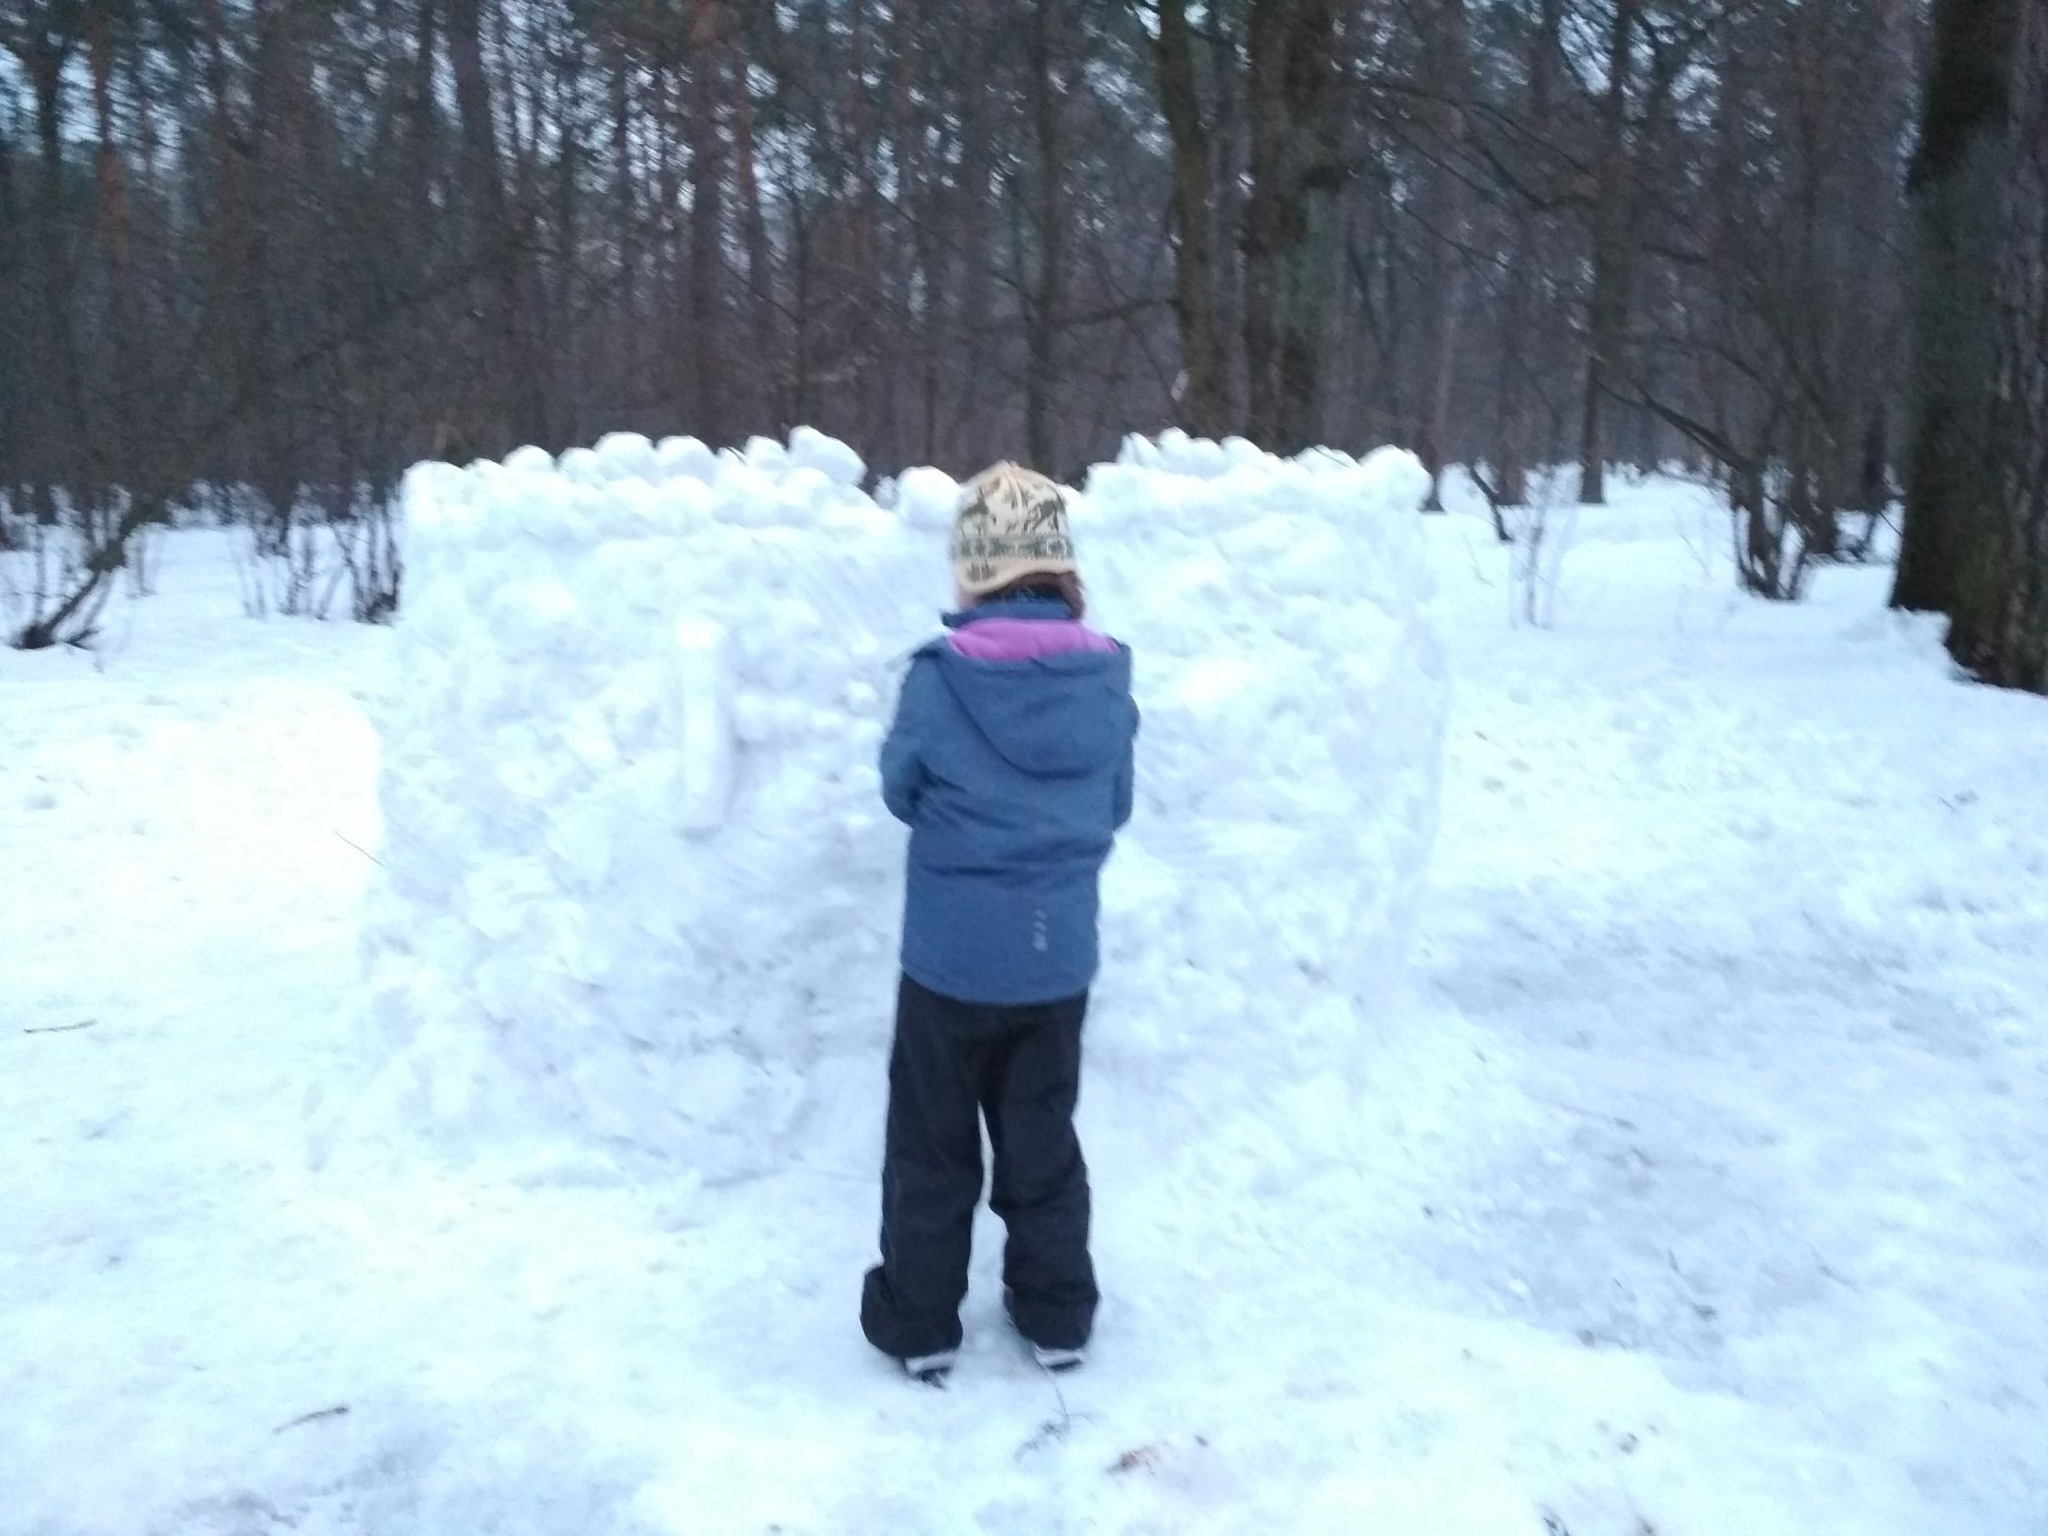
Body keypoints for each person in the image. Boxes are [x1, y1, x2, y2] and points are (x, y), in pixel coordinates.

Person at [859, 462, 1140, 1387]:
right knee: (1043, 1137)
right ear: (1060, 568)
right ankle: (1057, 1315)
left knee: (932, 1146)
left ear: (973, 571)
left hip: (948, 965)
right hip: (1057, 964)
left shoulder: (939, 682)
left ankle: (920, 1325)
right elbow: (1117, 802)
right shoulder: (1107, 680)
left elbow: (902, 789)